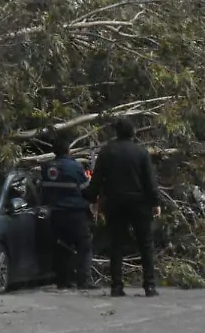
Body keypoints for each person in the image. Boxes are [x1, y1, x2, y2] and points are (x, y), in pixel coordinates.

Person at [84, 118, 161, 297]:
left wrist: (92, 198)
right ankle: (149, 285)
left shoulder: (107, 152)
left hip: (115, 202)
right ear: (133, 133)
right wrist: (155, 202)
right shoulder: (141, 152)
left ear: (116, 133)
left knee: (116, 244)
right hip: (139, 203)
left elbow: (97, 180)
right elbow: (150, 181)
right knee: (145, 243)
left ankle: (117, 286)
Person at [38, 131, 97, 290]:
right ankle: (83, 281)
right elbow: (86, 189)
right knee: (84, 245)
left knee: (62, 247)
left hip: (55, 214)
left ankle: (63, 281)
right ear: (68, 150)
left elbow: (42, 190)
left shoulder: (46, 168)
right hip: (74, 213)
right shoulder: (75, 167)